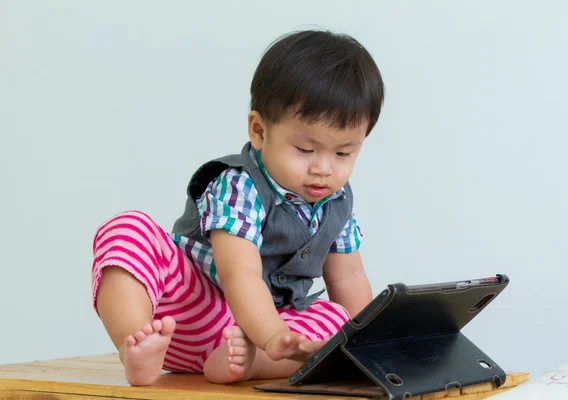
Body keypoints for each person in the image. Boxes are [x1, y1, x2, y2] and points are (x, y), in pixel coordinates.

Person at [92, 29, 385, 386]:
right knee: (128, 228)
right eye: (306, 150)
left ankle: (252, 364)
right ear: (259, 130)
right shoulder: (240, 185)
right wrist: (272, 335)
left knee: (339, 322)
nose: (323, 168)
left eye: (343, 153)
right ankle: (136, 346)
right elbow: (240, 274)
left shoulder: (335, 201)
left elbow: (348, 278)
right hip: (190, 310)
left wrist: (371, 348)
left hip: (249, 339)